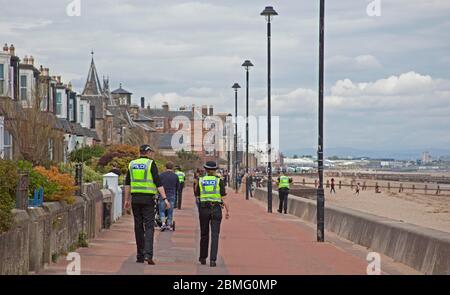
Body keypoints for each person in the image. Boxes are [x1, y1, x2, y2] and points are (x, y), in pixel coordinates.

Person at [124, 144, 170, 265]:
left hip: (135, 199)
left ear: (140, 152)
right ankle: (148, 255)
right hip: (148, 199)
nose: (151, 154)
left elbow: (127, 183)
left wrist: (126, 200)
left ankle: (140, 255)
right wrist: (165, 198)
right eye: (151, 152)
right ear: (148, 152)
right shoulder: (150, 164)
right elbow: (157, 182)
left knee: (138, 227)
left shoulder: (132, 164)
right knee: (149, 226)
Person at [194, 161, 230, 267]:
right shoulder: (219, 181)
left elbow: (197, 195)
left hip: (204, 209)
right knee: (215, 235)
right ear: (215, 170)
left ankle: (202, 258)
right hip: (216, 209)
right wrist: (228, 211)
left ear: (205, 169)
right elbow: (223, 198)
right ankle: (213, 260)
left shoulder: (201, 180)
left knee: (204, 234)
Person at [159, 162, 179, 231]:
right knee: (170, 211)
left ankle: (163, 223)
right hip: (172, 195)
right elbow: (177, 187)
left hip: (163, 195)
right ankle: (169, 225)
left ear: (165, 167)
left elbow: (158, 185)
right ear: (172, 167)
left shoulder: (161, 175)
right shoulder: (175, 176)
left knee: (161, 210)